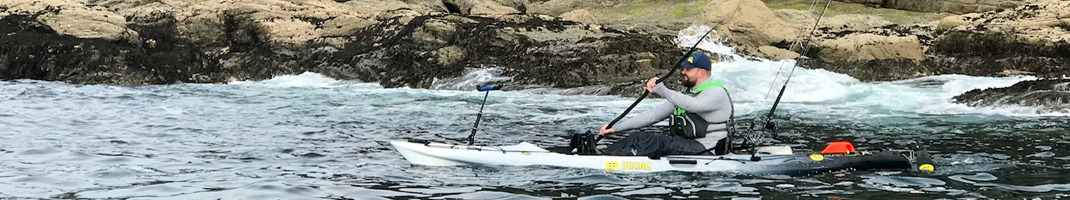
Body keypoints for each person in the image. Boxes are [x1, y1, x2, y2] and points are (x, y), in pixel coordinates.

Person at [579, 52, 735, 157]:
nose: (683, 72)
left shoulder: (716, 92)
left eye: (688, 69)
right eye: (683, 69)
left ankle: (613, 157)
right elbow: (653, 115)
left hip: (708, 148)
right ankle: (601, 153)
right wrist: (616, 128)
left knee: (657, 140)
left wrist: (662, 90)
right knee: (638, 136)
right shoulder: (686, 94)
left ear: (701, 72)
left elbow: (693, 106)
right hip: (688, 144)